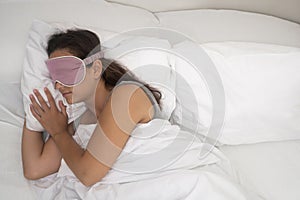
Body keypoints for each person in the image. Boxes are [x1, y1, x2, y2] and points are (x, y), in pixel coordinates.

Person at [21, 29, 162, 187]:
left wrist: (58, 132)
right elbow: (34, 169)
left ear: (95, 69)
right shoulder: (82, 118)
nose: (59, 85)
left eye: (67, 74)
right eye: (55, 78)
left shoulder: (127, 95)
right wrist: (33, 107)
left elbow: (88, 174)